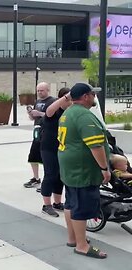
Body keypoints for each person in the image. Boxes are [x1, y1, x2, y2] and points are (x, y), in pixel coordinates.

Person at [58, 82, 109, 259]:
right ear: (86, 97)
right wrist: (104, 168)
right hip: (82, 169)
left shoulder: (67, 113)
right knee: (81, 205)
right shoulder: (83, 116)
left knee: (71, 203)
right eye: (92, 94)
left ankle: (73, 238)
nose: (94, 97)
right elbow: (96, 146)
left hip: (69, 167)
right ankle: (81, 245)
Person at [39, 87, 72, 217]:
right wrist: (66, 97)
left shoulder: (69, 113)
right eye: (68, 100)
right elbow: (48, 111)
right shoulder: (54, 110)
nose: (70, 102)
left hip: (62, 147)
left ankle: (57, 202)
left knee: (60, 176)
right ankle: (46, 204)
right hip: (48, 147)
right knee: (50, 174)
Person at [23, 82, 54, 189]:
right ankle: (36, 178)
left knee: (46, 158)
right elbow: (33, 118)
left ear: (48, 90)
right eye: (38, 91)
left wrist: (40, 113)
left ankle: (47, 180)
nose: (40, 92)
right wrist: (31, 114)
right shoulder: (38, 102)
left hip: (47, 132)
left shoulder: (52, 101)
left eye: (42, 90)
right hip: (37, 131)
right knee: (33, 156)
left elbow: (52, 116)